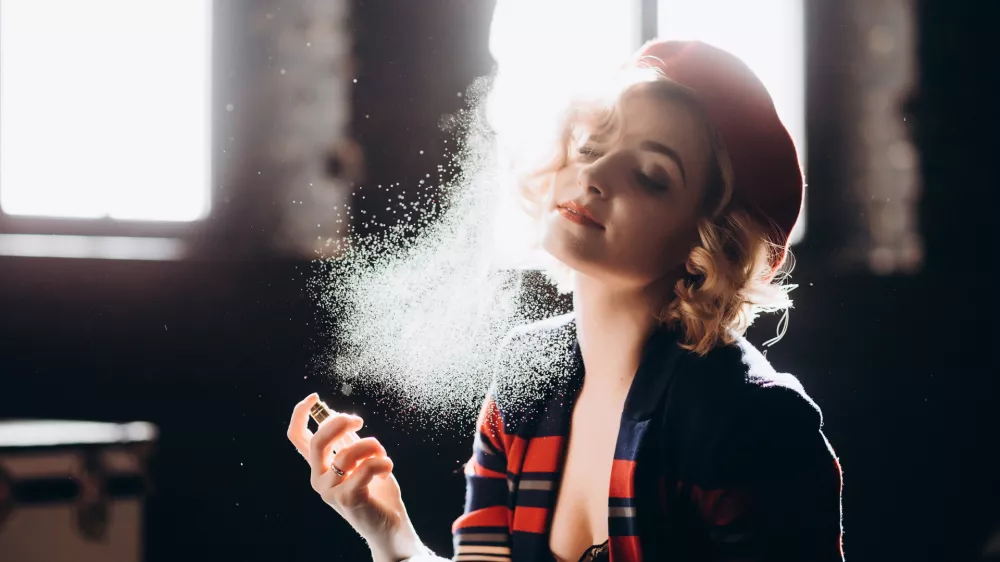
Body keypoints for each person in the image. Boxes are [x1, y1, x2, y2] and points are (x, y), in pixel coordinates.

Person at [287, 39, 845, 562]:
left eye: (651, 176)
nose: (595, 175)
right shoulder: (525, 377)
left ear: (708, 243)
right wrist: (392, 536)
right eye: (591, 147)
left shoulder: (752, 423)